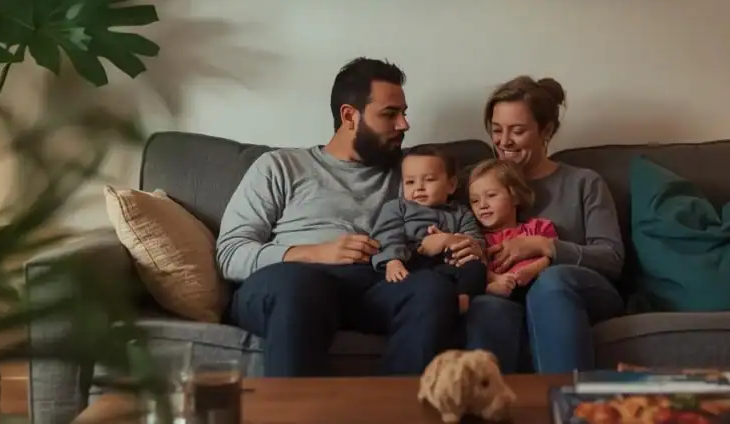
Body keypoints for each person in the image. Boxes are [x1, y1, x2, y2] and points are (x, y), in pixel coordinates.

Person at [215, 57, 477, 377]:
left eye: (404, 113)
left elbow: (457, 223)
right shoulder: (280, 167)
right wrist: (313, 254)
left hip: (376, 286)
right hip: (291, 284)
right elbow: (230, 253)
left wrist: (461, 246)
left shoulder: (413, 174)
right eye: (390, 114)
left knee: (431, 291)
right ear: (350, 116)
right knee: (298, 285)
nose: (404, 125)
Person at [464, 76, 626, 374]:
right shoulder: (480, 186)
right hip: (508, 292)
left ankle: (569, 409)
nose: (504, 142)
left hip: (579, 290)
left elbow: (611, 259)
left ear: (546, 130)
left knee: (552, 283)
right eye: (496, 130)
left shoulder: (583, 182)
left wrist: (545, 247)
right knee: (488, 307)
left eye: (518, 131)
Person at [370, 144, 488, 313]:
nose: (419, 187)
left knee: (475, 267)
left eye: (429, 179)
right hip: (413, 263)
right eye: (410, 182)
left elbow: (475, 240)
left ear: (451, 185)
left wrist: (450, 240)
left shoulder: (460, 213)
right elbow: (387, 235)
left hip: (451, 265)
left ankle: (464, 300)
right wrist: (392, 261)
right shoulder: (397, 207)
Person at [466, 158, 555, 297]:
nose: (482, 205)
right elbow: (473, 271)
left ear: (515, 197)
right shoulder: (478, 239)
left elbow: (552, 256)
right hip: (501, 295)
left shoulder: (538, 227)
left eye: (491, 195)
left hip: (539, 289)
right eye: (475, 200)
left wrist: (531, 270)